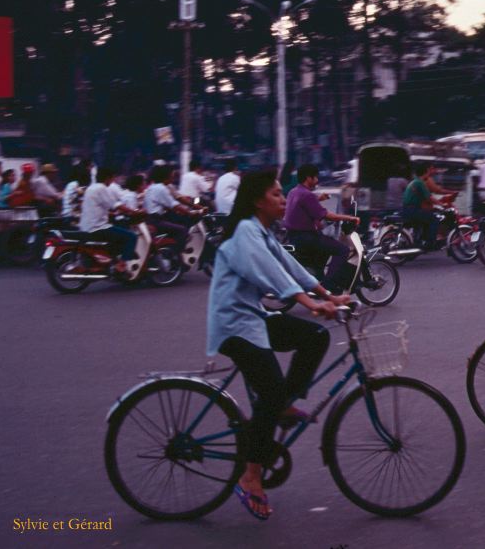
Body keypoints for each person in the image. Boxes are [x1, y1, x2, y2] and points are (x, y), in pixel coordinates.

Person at [208, 169, 351, 521]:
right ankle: (251, 476)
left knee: (315, 337)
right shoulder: (245, 232)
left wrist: (326, 293)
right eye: (275, 194)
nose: (282, 200)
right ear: (258, 200)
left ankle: (283, 404)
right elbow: (268, 275)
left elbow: (289, 267)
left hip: (253, 318)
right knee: (269, 396)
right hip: (234, 326)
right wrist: (310, 304)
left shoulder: (263, 231)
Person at [283, 165, 360, 294]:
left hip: (294, 236)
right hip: (306, 238)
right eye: (316, 177)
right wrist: (351, 218)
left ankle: (319, 277)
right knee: (342, 250)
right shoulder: (307, 195)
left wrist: (318, 199)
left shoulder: (294, 191)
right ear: (309, 178)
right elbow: (327, 215)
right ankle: (328, 285)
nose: (317, 180)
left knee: (326, 245)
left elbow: (302, 206)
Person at [77, 166, 141, 270]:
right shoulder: (101, 188)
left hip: (86, 226)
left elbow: (102, 207)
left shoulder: (91, 188)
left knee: (118, 234)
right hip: (97, 228)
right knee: (131, 236)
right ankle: (122, 265)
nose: (112, 181)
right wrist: (133, 211)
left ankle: (112, 261)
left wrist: (114, 213)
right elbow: (115, 205)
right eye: (112, 178)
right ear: (107, 178)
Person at [144, 164, 197, 251]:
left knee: (178, 222)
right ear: (165, 176)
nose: (173, 179)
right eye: (171, 176)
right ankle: (177, 254)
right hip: (156, 220)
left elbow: (172, 204)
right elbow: (174, 205)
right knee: (182, 230)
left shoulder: (153, 187)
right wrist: (190, 213)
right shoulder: (161, 188)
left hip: (152, 218)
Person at [401, 163, 441, 249]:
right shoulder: (420, 183)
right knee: (434, 219)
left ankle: (419, 241)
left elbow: (424, 198)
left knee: (425, 218)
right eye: (428, 171)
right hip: (412, 210)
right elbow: (429, 198)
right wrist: (442, 204)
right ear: (426, 172)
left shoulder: (414, 181)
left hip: (407, 209)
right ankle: (430, 243)